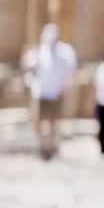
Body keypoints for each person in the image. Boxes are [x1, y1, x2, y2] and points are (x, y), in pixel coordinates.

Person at [26, 23, 76, 159]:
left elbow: (68, 74)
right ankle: (43, 146)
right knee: (37, 122)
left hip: (55, 93)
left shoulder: (64, 54)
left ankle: (52, 147)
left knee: (53, 123)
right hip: (40, 93)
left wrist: (65, 89)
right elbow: (31, 71)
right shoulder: (38, 52)